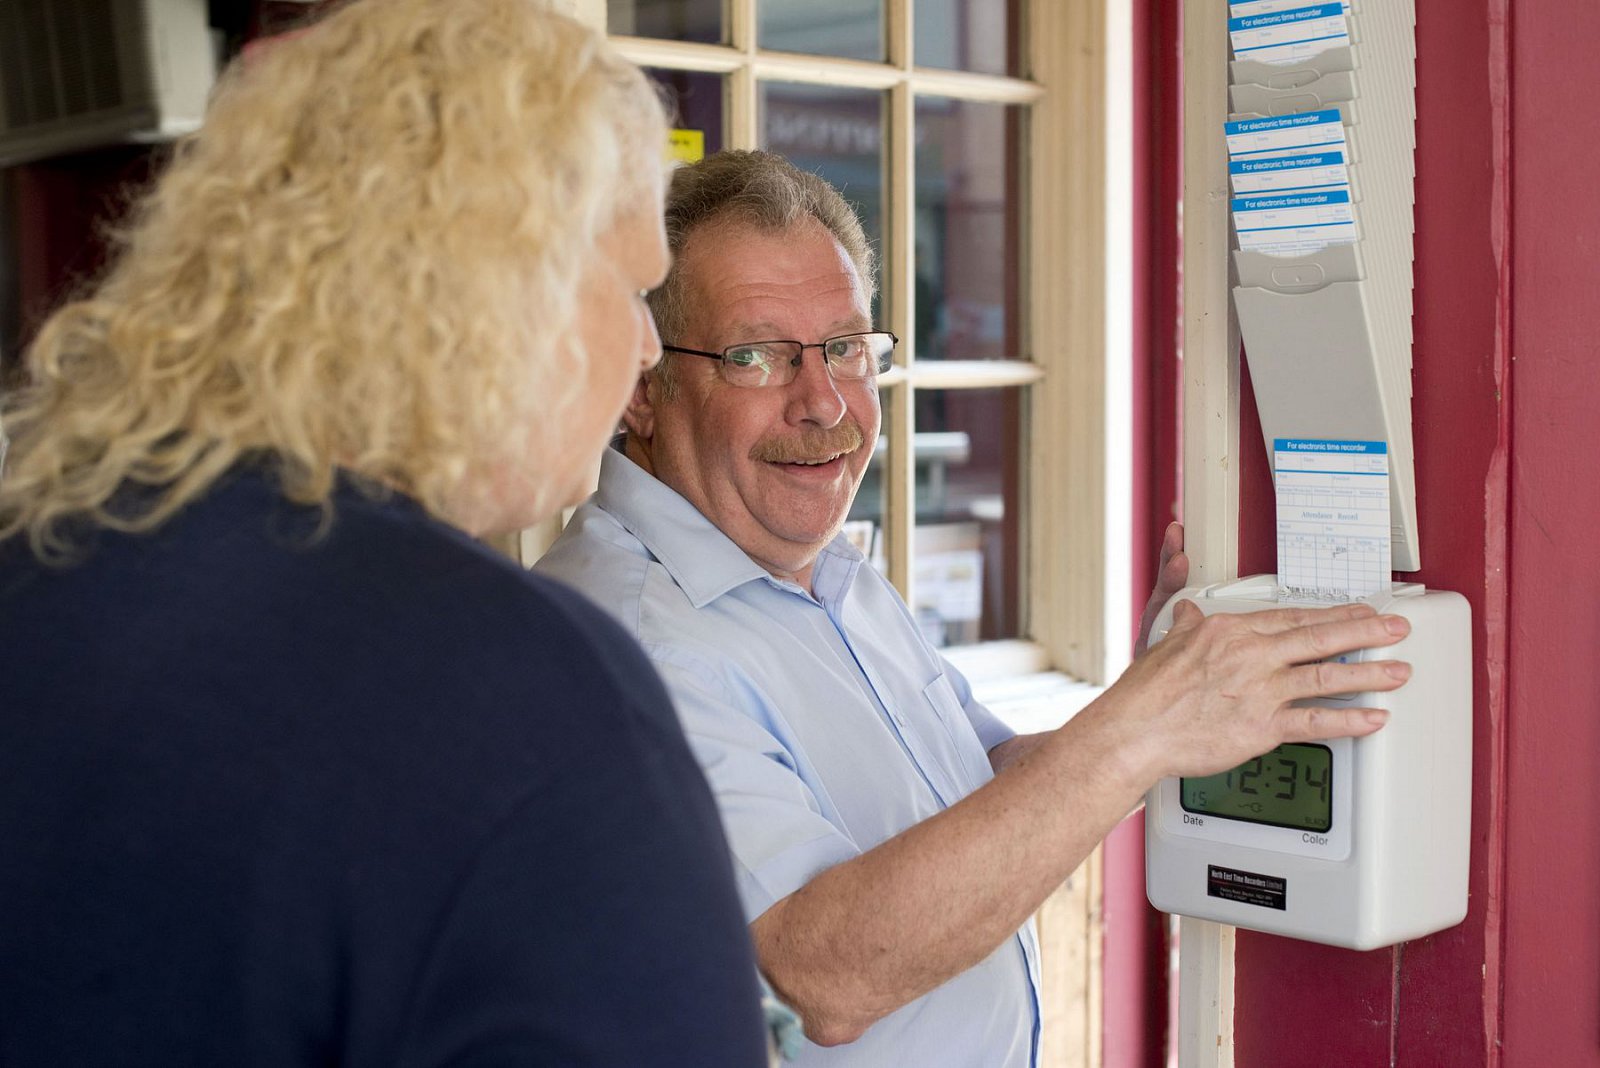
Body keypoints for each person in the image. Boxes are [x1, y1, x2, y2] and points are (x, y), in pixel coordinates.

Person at [0, 3, 768, 1065]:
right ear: (500, 290)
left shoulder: (35, 574)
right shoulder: (523, 685)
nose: (646, 347)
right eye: (634, 286)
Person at [534, 150, 1414, 1066]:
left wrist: (1164, 701)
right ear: (641, 385)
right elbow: (818, 973)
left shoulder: (824, 570)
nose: (824, 401)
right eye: (756, 357)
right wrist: (1140, 730)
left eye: (844, 348)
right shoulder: (623, 641)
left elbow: (983, 777)